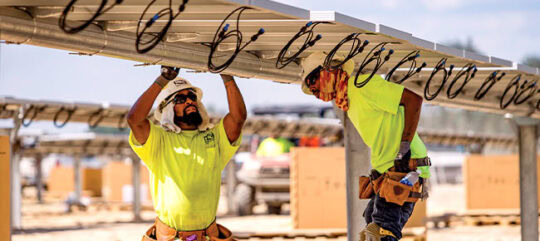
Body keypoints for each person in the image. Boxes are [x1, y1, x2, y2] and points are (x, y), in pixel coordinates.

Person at [300, 52, 431, 241]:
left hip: (403, 169)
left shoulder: (362, 85)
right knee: (370, 227)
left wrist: (403, 148)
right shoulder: (347, 100)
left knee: (380, 234)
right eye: (309, 85)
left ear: (330, 70)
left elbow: (414, 101)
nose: (312, 87)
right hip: (387, 171)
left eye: (313, 78)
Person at [127, 66, 246, 241]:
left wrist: (226, 75)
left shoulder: (214, 138)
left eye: (192, 97)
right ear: (168, 109)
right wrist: (162, 80)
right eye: (181, 99)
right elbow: (134, 119)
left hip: (207, 236)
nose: (190, 101)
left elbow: (238, 118)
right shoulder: (159, 140)